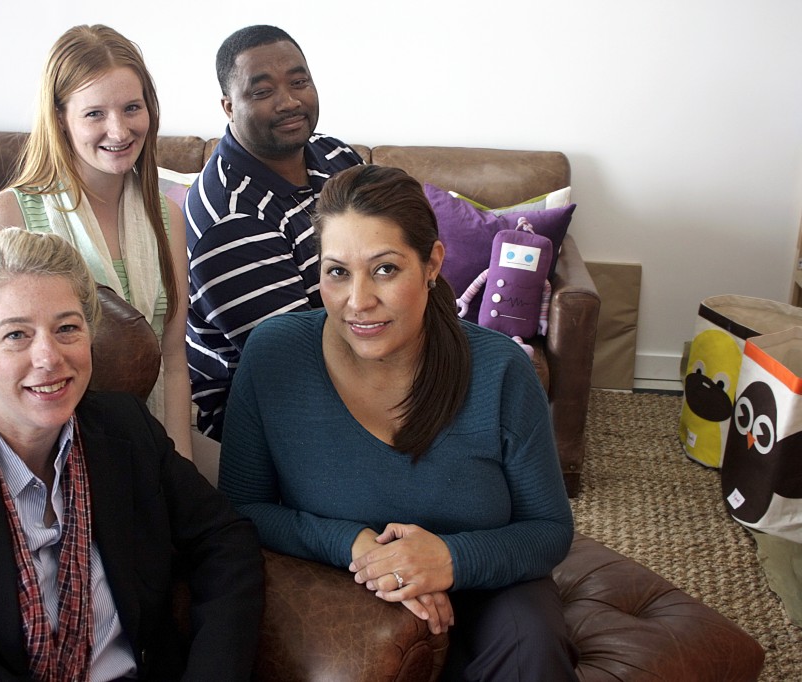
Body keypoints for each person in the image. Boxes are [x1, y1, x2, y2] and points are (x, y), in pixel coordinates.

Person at [218, 165, 578, 680]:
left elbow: (549, 531)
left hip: (490, 585)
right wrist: (355, 546)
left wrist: (449, 559)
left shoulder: (502, 370)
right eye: (337, 272)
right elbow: (241, 508)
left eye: (385, 269)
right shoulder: (273, 355)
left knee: (533, 652)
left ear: (432, 263)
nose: (358, 301)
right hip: (345, 584)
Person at [0, 228, 264, 681]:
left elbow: (225, 540)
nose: (48, 357)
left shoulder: (125, 427)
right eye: (16, 335)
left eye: (67, 328)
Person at [0, 24, 193, 458]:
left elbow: (174, 363)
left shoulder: (168, 218)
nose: (119, 131)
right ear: (60, 118)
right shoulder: (3, 218)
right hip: (40, 453)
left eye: (131, 108)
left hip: (147, 446)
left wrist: (178, 477)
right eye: (95, 114)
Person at [184, 24, 364, 441]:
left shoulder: (335, 156)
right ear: (229, 107)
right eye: (262, 91)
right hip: (272, 419)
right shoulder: (228, 218)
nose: (289, 102)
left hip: (357, 367)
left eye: (299, 82)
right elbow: (304, 364)